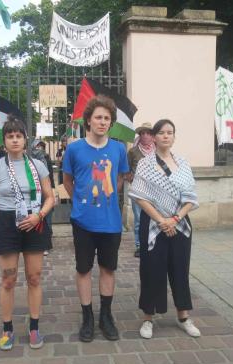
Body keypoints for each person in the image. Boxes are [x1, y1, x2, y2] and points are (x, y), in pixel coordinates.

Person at [0, 115, 55, 351]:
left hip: (35, 223)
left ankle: (34, 327)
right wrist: (3, 222)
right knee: (8, 280)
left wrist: (38, 216)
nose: (14, 140)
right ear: (4, 141)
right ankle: (7, 328)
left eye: (18, 136)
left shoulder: (38, 165)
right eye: (10, 136)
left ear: (25, 139)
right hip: (7, 224)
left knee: (34, 278)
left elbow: (50, 197)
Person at [63, 95, 129, 342]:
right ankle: (87, 317)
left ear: (110, 123)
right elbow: (68, 181)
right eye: (98, 117)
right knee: (83, 269)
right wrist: (80, 202)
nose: (102, 122)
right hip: (82, 221)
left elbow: (120, 178)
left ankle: (106, 316)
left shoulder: (119, 149)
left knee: (108, 268)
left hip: (110, 222)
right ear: (88, 120)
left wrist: (108, 198)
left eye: (107, 118)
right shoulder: (74, 148)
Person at [128, 119, 200, 339]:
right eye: (161, 132)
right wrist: (161, 220)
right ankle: (148, 319)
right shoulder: (145, 164)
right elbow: (140, 197)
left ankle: (184, 316)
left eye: (170, 132)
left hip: (180, 226)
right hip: (153, 225)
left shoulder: (183, 164)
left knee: (180, 270)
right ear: (154, 136)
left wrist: (175, 218)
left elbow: (191, 198)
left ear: (174, 136)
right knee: (151, 272)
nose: (166, 136)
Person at [127, 122, 155, 257]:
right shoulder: (133, 151)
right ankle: (139, 246)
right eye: (142, 133)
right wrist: (131, 177)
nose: (145, 136)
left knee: (153, 218)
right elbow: (126, 171)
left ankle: (151, 243)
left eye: (148, 133)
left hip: (154, 191)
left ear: (152, 136)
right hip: (137, 190)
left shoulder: (157, 150)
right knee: (138, 219)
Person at [31, 139, 56, 256]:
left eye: (41, 147)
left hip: (46, 191)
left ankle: (46, 244)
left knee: (47, 218)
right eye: (37, 147)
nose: (39, 149)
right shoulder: (29, 159)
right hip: (34, 192)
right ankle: (37, 243)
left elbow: (50, 175)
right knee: (37, 216)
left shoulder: (46, 158)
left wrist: (54, 190)